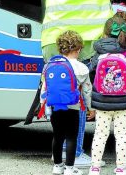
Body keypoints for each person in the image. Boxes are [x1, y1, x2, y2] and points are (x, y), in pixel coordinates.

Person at [41, 0, 126, 167]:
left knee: (61, 100)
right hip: (77, 46)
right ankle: (75, 153)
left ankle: (60, 152)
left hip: (53, 43)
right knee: (78, 99)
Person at [89, 14, 126, 175]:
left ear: (105, 33)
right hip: (124, 101)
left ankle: (95, 167)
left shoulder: (99, 53)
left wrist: (97, 89)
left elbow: (92, 74)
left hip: (102, 100)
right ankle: (120, 167)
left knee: (100, 134)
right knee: (122, 135)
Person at [41, 30, 95, 175]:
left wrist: (42, 104)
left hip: (54, 107)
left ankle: (57, 166)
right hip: (73, 107)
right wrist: (91, 108)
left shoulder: (49, 65)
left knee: (57, 136)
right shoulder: (82, 68)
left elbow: (45, 87)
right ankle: (70, 169)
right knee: (72, 137)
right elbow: (87, 91)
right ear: (78, 49)